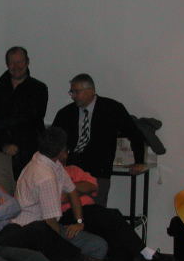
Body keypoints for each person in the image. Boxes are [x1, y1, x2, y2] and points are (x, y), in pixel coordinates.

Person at [14, 127, 110, 261]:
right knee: (79, 250)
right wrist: (66, 246)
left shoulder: (48, 161)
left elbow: (72, 190)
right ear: (61, 151)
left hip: (45, 226)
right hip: (33, 232)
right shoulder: (44, 176)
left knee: (96, 244)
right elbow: (50, 223)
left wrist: (79, 222)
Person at [52, 73, 146, 206]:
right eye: (72, 92)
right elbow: (52, 140)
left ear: (91, 91)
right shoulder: (66, 113)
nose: (73, 96)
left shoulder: (112, 108)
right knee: (68, 209)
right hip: (71, 169)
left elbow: (134, 133)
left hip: (99, 168)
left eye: (76, 92)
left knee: (95, 210)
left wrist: (139, 161)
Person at [0, 46, 48, 178]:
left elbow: (33, 117)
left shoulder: (39, 88)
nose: (16, 66)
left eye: (19, 62)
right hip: (1, 148)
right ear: (7, 64)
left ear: (27, 62)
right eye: (12, 63)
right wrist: (4, 145)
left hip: (30, 150)